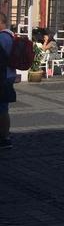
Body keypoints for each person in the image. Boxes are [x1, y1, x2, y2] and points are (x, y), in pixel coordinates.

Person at [0, 12, 16, 149]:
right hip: (8, 75)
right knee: (3, 107)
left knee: (2, 108)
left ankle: (4, 138)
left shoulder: (2, 38)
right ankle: (5, 136)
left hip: (3, 76)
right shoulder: (10, 36)